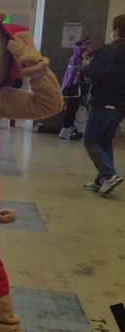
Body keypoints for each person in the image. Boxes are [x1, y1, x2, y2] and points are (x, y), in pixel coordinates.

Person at [82, 14, 125, 196]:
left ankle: (109, 175)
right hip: (121, 106)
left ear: (117, 30)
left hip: (104, 101)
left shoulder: (110, 51)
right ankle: (100, 181)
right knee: (105, 141)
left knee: (90, 141)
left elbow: (92, 74)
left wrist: (86, 63)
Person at [59, 36, 91, 141]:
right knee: (71, 109)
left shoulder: (76, 58)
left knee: (72, 109)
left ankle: (68, 131)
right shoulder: (77, 59)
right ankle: (66, 131)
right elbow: (75, 74)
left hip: (75, 87)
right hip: (75, 88)